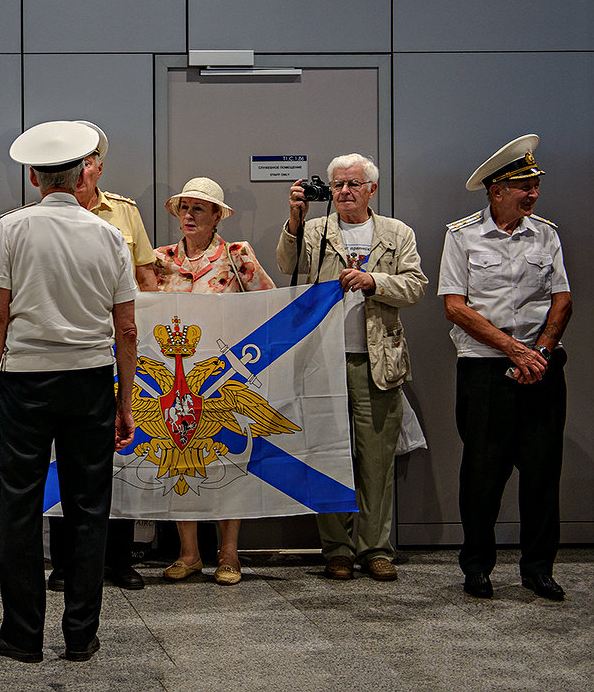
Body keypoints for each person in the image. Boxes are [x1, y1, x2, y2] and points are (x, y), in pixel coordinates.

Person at [0, 120, 137, 664]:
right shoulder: (109, 235)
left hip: (25, 379)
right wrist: (125, 400)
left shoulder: (12, 229)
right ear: (80, 175)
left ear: (33, 177)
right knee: (89, 508)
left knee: (20, 506)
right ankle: (80, 635)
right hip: (91, 379)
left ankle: (23, 635)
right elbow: (128, 328)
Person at [277, 153, 427, 582]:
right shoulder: (314, 229)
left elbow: (416, 285)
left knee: (377, 461)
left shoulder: (397, 233)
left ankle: (376, 548)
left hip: (378, 362)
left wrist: (374, 282)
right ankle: (336, 550)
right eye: (338, 184)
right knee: (328, 457)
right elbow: (288, 268)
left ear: (371, 190)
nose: (344, 191)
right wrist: (293, 221)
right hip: (323, 362)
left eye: (353, 185)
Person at [438, 134, 571, 601]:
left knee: (541, 474)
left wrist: (543, 351)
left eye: (535, 185)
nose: (533, 194)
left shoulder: (546, 234)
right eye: (524, 186)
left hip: (542, 369)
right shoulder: (462, 236)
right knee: (482, 475)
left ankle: (538, 568)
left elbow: (562, 298)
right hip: (486, 372)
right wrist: (516, 351)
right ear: (497, 190)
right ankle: (476, 567)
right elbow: (456, 307)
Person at [49, 120, 155, 593]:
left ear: (99, 166)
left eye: (92, 160)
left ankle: (117, 559)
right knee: (63, 462)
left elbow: (147, 281)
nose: (86, 168)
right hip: (66, 351)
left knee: (115, 460)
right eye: (79, 160)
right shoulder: (41, 214)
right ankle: (64, 560)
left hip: (119, 350)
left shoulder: (125, 215)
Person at [153, 177, 275, 585]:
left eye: (198, 209)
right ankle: (189, 553)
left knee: (227, 458)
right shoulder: (160, 259)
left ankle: (228, 553)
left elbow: (268, 305)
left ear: (217, 216)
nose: (188, 215)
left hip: (223, 375)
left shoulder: (237, 255)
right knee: (180, 457)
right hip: (176, 376)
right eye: (184, 207)